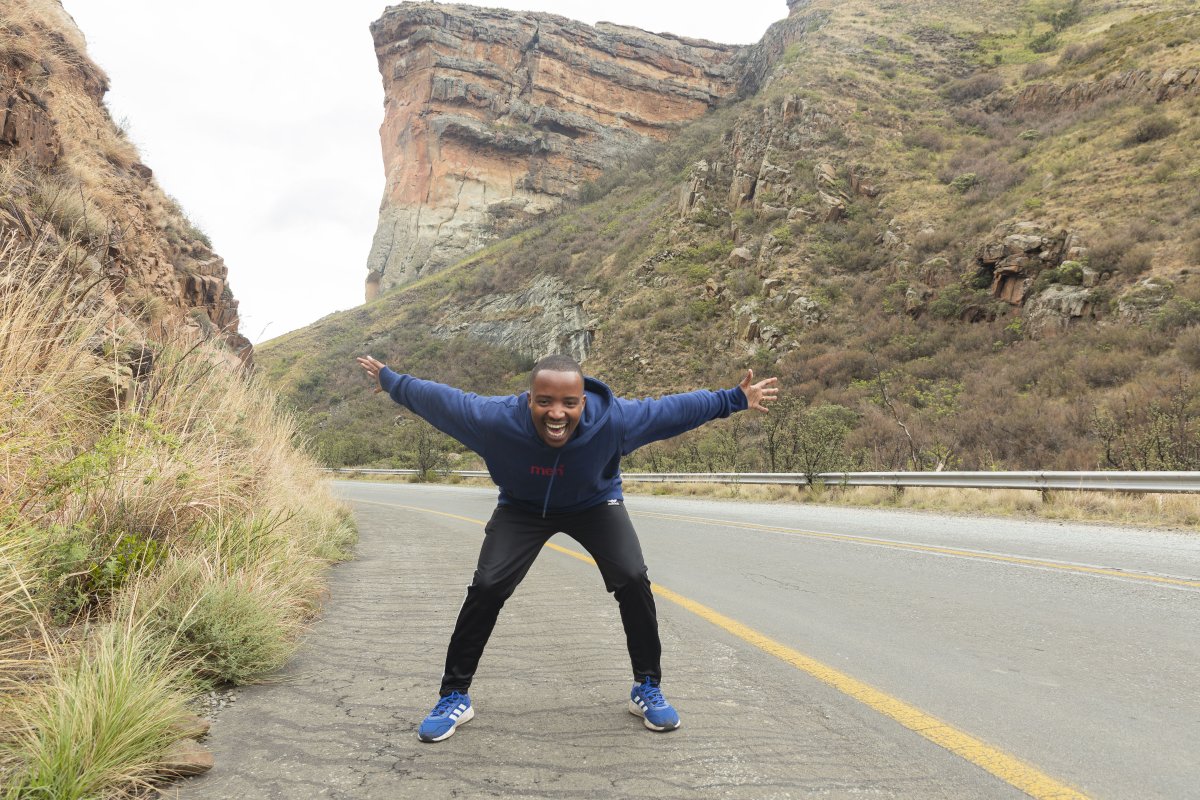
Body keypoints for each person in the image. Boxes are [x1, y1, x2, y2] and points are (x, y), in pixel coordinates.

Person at [356, 353, 778, 742]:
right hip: (521, 509)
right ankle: (454, 696)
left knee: (633, 578)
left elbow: (675, 409)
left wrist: (734, 398)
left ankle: (647, 687)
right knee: (487, 587)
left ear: (582, 401)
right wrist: (391, 380)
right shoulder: (492, 420)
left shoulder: (615, 421)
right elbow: (436, 399)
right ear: (528, 400)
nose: (556, 413)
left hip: (594, 504)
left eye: (569, 403)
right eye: (544, 402)